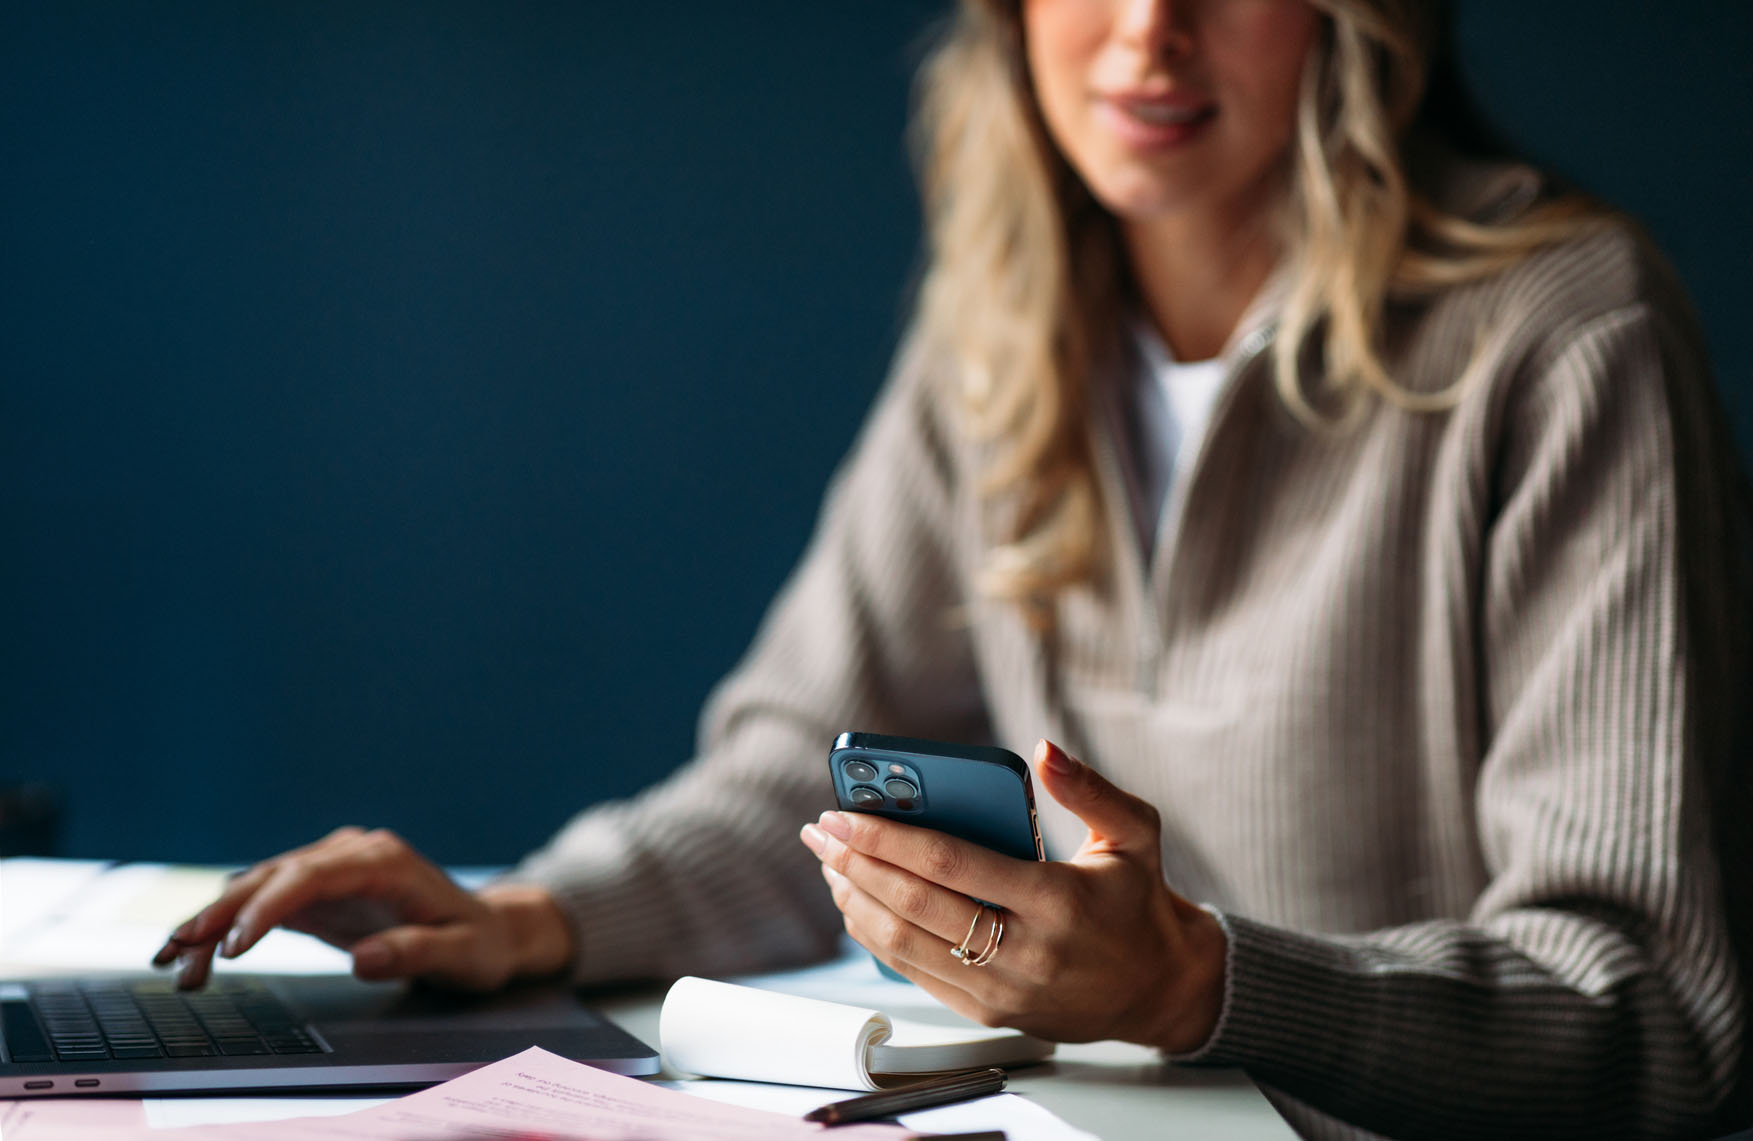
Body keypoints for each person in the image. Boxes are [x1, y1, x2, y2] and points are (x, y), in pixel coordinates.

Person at [155, 1, 1752, 1136]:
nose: (1147, 30)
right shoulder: (1005, 326)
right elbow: (797, 773)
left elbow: (1651, 1016)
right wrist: (528, 914)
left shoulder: (1565, 336)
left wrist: (1197, 979)